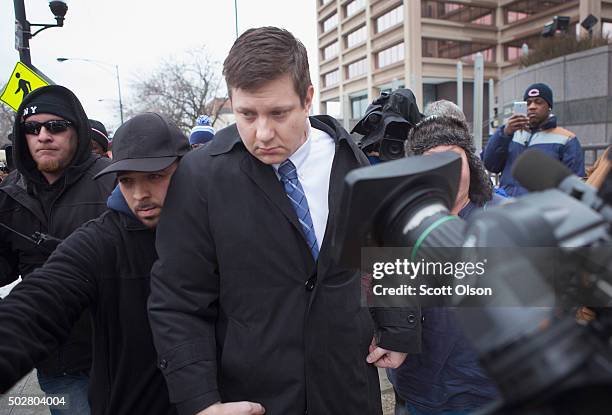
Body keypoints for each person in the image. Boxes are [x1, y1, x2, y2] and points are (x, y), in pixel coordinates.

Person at [148, 26, 416, 415]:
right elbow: (177, 300)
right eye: (246, 114)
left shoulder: (351, 159)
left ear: (307, 98)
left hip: (347, 388)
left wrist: (399, 326)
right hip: (253, 398)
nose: (262, 133)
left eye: (278, 113)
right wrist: (201, 401)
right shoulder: (200, 178)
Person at [0, 112, 189, 415]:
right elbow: (41, 300)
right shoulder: (101, 240)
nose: (140, 195)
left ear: (186, 168)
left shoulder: (218, 227)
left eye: (155, 176)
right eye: (127, 180)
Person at [0, 85, 114, 413]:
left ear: (76, 131)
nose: (44, 136)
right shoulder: (9, 194)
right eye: (32, 128)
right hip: (56, 364)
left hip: (115, 354)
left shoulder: (112, 182)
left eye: (56, 126)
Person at [388, 114, 503, 415]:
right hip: (423, 390)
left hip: (489, 389)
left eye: (455, 159)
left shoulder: (505, 218)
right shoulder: (395, 225)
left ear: (471, 164)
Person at [482, 83, 585, 197]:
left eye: (538, 102)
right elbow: (491, 165)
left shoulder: (567, 139)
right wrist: (504, 133)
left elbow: (574, 183)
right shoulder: (510, 133)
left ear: (549, 107)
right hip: (508, 205)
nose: (532, 106)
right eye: (528, 102)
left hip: (539, 209)